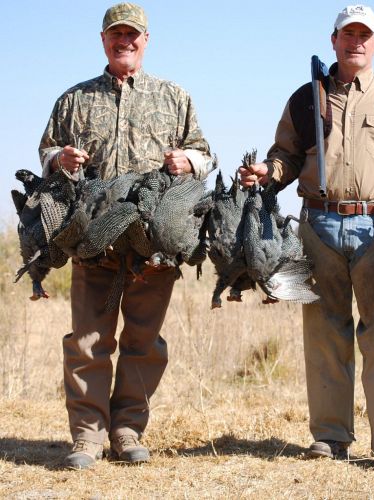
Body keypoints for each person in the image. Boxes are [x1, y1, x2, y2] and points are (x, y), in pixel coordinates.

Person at [240, 4, 374, 474]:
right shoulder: (307, 96)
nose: (356, 41)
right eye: (348, 34)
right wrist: (266, 171)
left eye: (364, 35)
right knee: (325, 332)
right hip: (317, 224)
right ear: (334, 40)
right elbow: (285, 156)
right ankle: (330, 437)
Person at [39, 2, 213, 469]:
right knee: (88, 341)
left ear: (146, 40)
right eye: (116, 34)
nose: (125, 41)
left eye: (133, 34)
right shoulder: (74, 99)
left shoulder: (174, 96)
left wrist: (189, 161)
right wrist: (59, 159)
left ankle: (128, 430)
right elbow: (46, 151)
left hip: (152, 245)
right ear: (103, 40)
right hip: (92, 240)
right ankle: (88, 437)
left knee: (144, 340)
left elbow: (204, 153)